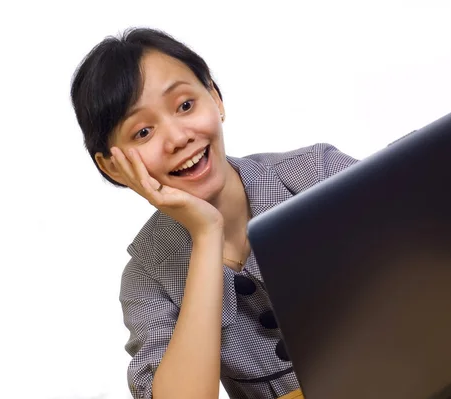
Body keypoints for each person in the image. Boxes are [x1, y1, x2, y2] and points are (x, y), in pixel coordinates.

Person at [70, 27, 359, 399]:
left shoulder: (317, 174)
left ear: (216, 98)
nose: (177, 138)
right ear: (112, 167)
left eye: (185, 105)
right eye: (143, 132)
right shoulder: (147, 278)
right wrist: (206, 233)